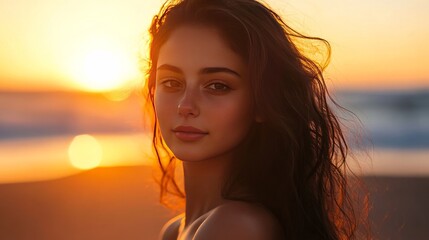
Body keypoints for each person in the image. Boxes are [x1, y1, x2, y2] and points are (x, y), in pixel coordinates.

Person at [143, 0, 369, 239]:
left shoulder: (236, 227)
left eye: (218, 86)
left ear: (262, 101)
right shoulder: (174, 231)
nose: (185, 106)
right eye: (171, 82)